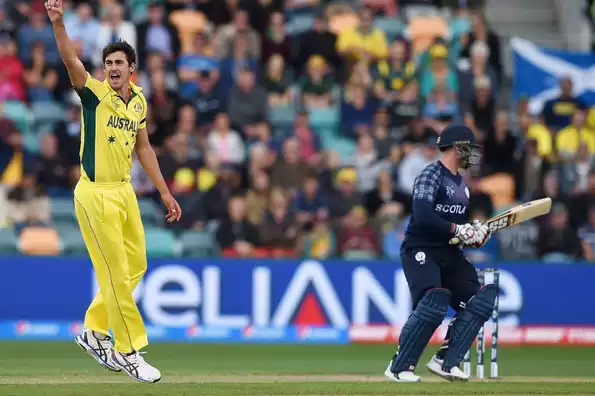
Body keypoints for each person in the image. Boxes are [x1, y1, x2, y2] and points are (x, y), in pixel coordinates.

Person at [45, 0, 181, 384]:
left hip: (124, 193)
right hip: (94, 195)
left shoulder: (138, 101)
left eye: (119, 63)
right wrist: (58, 24)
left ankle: (92, 330)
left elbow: (144, 148)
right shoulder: (94, 94)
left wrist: (165, 192)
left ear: (131, 69)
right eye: (108, 64)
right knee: (116, 275)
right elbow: (72, 61)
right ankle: (128, 350)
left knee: (136, 266)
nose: (113, 69)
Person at [384, 124, 495, 383]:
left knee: (481, 300)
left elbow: (455, 232)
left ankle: (446, 360)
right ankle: (400, 367)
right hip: (420, 249)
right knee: (434, 301)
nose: (473, 154)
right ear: (457, 148)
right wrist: (459, 228)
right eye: (470, 149)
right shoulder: (431, 174)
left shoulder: (463, 186)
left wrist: (473, 236)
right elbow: (422, 216)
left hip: (450, 253)